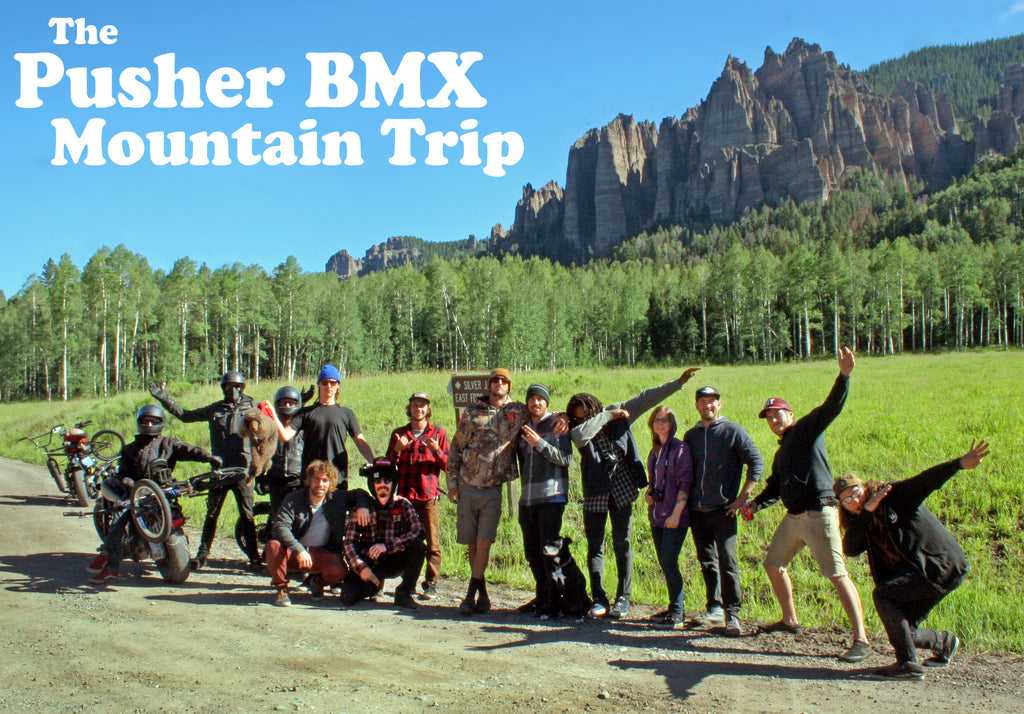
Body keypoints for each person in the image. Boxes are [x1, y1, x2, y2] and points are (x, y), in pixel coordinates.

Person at [747, 347, 870, 663]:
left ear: (790, 413)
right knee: (773, 564)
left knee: (837, 574)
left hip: (820, 512)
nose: (774, 420)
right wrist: (753, 506)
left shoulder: (806, 429)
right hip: (794, 517)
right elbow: (774, 487)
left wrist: (844, 376)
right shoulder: (781, 451)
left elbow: (831, 407)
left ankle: (861, 639)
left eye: (778, 414)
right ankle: (790, 622)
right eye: (769, 417)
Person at [836, 439, 990, 680]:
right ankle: (945, 643)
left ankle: (907, 665)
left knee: (883, 595)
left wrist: (960, 463)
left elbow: (926, 480)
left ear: (865, 487)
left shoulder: (894, 496)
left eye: (856, 492)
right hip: (923, 574)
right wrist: (867, 512)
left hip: (938, 566)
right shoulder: (864, 522)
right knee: (905, 630)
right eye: (847, 501)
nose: (854, 500)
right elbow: (850, 549)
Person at [568, 366, 700, 620]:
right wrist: (607, 416)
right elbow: (580, 434)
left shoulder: (620, 413)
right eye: (579, 417)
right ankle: (599, 598)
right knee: (595, 546)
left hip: (622, 488)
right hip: (595, 491)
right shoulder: (583, 428)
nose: (583, 420)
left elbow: (645, 398)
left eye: (587, 414)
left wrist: (678, 383)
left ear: (595, 407)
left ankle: (623, 598)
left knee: (623, 544)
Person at [447, 368, 567, 616]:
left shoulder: (518, 411)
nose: (499, 384)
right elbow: (456, 447)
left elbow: (541, 412)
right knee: (472, 544)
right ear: (489, 385)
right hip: (468, 484)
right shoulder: (472, 411)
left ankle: (470, 594)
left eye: (504, 381)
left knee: (484, 542)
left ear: (509, 386)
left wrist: (563, 415)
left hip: (493, 488)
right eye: (495, 380)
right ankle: (483, 595)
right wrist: (451, 483)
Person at [87, 405, 222, 584]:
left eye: (154, 421)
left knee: (121, 516)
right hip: (137, 493)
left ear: (160, 423)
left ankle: (108, 560)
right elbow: (124, 474)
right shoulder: (130, 449)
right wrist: (130, 484)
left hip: (163, 493)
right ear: (140, 422)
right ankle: (110, 566)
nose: (149, 424)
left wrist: (208, 457)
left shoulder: (169, 443)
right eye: (145, 421)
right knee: (121, 515)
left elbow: (189, 450)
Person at [148, 370, 260, 571]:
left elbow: (274, 423)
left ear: (243, 387)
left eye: (237, 386)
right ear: (223, 388)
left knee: (247, 516)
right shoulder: (215, 409)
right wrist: (162, 398)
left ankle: (254, 557)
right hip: (219, 471)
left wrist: (298, 404)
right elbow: (185, 416)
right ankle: (202, 554)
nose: (233, 390)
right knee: (212, 514)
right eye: (228, 386)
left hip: (243, 471)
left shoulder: (253, 407)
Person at [683, 385, 763, 637]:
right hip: (697, 510)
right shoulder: (691, 436)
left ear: (720, 404)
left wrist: (741, 498)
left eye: (712, 401)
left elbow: (756, 462)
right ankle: (714, 608)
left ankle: (733, 615)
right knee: (707, 561)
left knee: (728, 562)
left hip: (724, 510)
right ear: (696, 405)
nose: (707, 405)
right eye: (702, 401)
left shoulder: (733, 432)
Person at [265, 460, 371, 607]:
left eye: (325, 480)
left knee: (339, 571)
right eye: (316, 479)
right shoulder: (294, 499)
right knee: (273, 546)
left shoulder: (337, 498)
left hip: (321, 552)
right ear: (309, 480)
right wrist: (298, 549)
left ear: (331, 483)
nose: (320, 484)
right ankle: (281, 589)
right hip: (295, 553)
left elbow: (360, 493)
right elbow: (280, 526)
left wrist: (363, 507)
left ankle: (316, 583)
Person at [515, 383, 572, 617]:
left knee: (548, 551)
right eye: (532, 399)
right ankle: (541, 596)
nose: (535, 403)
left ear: (547, 402)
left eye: (540, 399)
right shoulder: (523, 428)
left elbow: (566, 459)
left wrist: (539, 443)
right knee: (531, 551)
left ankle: (553, 600)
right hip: (528, 499)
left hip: (552, 496)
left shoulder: (558, 425)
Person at [268, 364, 374, 490]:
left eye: (332, 383)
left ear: (338, 385)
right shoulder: (305, 413)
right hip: (311, 477)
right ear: (319, 384)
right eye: (325, 382)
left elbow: (360, 441)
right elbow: (284, 436)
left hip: (337, 476)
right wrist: (273, 414)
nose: (329, 386)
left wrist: (374, 461)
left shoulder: (346, 413)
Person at [339, 458, 425, 610]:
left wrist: (388, 546)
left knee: (418, 546)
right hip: (369, 562)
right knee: (347, 598)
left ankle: (404, 593)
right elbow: (349, 542)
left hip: (394, 559)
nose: (382, 484)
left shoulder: (402, 504)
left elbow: (418, 530)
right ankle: (373, 586)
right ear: (372, 484)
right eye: (377, 480)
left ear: (393, 483)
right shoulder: (362, 508)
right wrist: (360, 567)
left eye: (387, 480)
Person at [386, 392, 449, 600]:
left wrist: (437, 451)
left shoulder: (438, 434)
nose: (418, 409)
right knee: (406, 540)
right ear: (410, 408)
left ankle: (431, 582)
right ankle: (408, 581)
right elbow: (387, 466)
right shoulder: (399, 434)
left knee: (432, 542)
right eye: (415, 405)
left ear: (428, 409)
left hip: (429, 496)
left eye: (422, 406)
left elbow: (450, 466)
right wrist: (397, 450)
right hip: (405, 497)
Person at [645, 406, 694, 629]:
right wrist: (649, 493)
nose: (660, 424)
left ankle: (678, 611)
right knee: (664, 562)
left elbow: (685, 483)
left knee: (669, 561)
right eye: (657, 420)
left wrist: (677, 513)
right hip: (657, 515)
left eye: (665, 420)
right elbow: (653, 482)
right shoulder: (655, 451)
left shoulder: (680, 449)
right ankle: (673, 606)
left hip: (675, 516)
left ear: (672, 424)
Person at [259, 386, 305, 525]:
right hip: (276, 480)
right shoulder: (269, 427)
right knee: (278, 521)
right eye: (284, 402)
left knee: (299, 521)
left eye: (291, 403)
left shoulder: (304, 428)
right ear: (277, 404)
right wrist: (260, 478)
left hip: (298, 480)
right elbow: (261, 454)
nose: (287, 406)